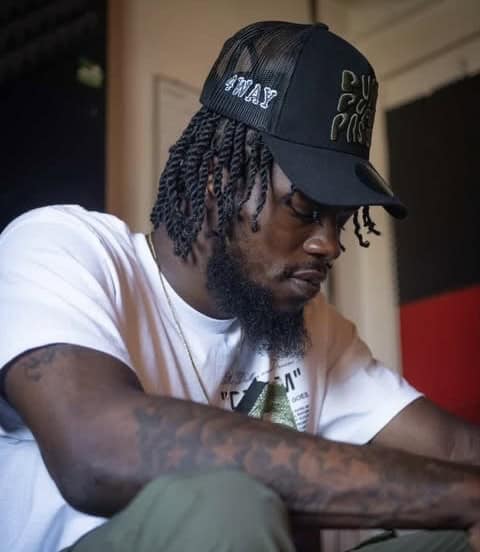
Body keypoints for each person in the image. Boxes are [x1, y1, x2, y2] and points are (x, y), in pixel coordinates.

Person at [0, 20, 478, 552]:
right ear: (217, 178)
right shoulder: (62, 248)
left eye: (340, 221)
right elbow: (93, 450)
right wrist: (458, 496)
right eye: (305, 209)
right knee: (229, 504)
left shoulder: (310, 327)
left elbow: (454, 449)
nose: (329, 245)